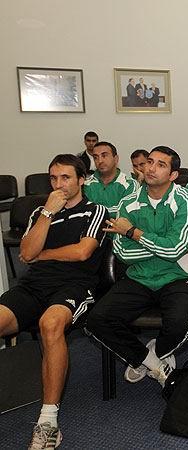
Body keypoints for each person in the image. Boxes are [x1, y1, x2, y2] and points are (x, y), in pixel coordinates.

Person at [0, 154, 108, 449]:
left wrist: (43, 254)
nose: (58, 184)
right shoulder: (41, 212)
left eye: (66, 178)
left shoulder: (95, 211)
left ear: (81, 180)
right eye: (53, 178)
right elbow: (26, 252)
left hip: (75, 285)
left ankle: (48, 421)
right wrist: (48, 213)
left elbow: (82, 252)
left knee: (50, 324)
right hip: (34, 285)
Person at [86, 146, 188, 390]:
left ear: (173, 175)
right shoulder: (128, 203)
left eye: (161, 165)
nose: (151, 168)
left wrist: (133, 232)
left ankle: (157, 350)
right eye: (150, 162)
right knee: (97, 320)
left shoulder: (185, 200)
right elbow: (122, 252)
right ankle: (149, 360)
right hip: (139, 277)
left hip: (177, 277)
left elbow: (173, 251)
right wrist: (168, 246)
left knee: (180, 325)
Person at [84, 142, 139, 217]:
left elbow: (125, 214)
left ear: (116, 159)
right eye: (96, 157)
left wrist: (94, 212)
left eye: (104, 156)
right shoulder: (86, 184)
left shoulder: (130, 184)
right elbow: (83, 213)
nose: (100, 161)